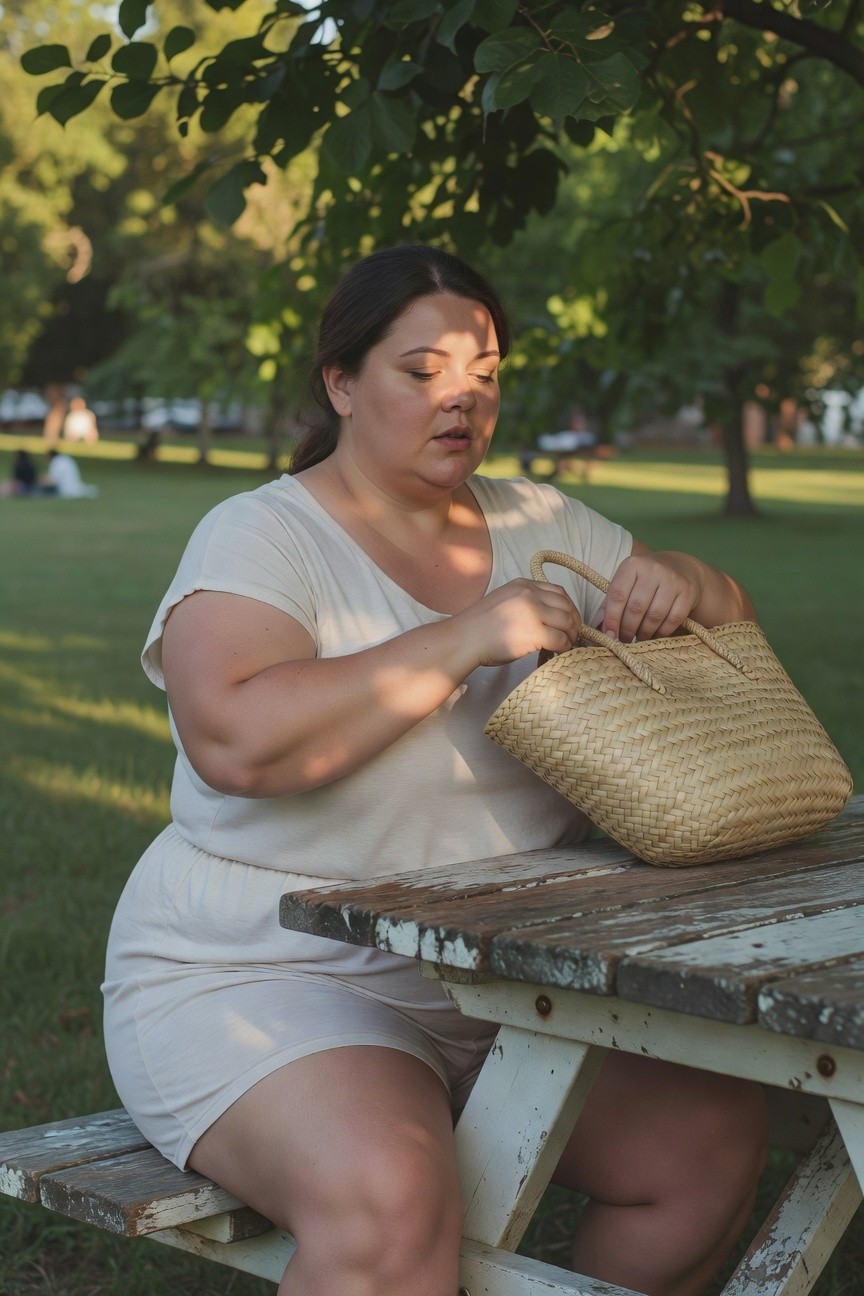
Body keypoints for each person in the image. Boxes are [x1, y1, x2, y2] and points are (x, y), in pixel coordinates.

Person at [102, 245, 766, 1296]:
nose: (464, 399)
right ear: (342, 383)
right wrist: (463, 638)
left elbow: (728, 623)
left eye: (486, 373)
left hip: (506, 979)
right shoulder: (264, 536)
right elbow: (233, 739)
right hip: (264, 971)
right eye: (423, 371)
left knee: (709, 1148)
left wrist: (688, 579)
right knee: (391, 1197)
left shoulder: (542, 523)